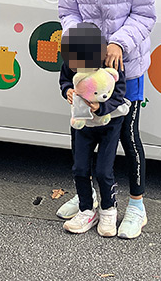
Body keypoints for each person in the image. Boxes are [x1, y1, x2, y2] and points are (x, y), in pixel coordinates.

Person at [56, 0, 156, 240]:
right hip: (86, 69)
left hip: (128, 66)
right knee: (82, 130)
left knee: (126, 135)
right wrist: (81, 40)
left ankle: (137, 206)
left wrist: (117, 43)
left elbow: (144, 15)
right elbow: (67, 12)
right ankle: (90, 199)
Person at [59, 23, 129, 236]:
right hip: (83, 124)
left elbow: (119, 94)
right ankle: (86, 209)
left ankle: (109, 211)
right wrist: (68, 91)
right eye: (71, 61)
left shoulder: (111, 66)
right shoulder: (70, 65)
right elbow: (64, 82)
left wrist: (102, 107)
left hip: (109, 124)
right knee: (80, 168)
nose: (74, 66)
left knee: (103, 170)